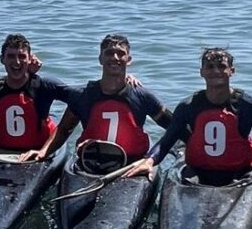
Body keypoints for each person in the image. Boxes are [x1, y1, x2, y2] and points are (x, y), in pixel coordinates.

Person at [123, 47, 252, 187]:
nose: (216, 71)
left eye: (222, 66)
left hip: (239, 174)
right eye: (210, 67)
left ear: (232, 71)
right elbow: (167, 141)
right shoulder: (188, 106)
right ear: (201, 72)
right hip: (197, 173)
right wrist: (149, 161)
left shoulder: (249, 105)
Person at [20, 34, 173, 165]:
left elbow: (174, 129)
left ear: (129, 59)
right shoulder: (82, 95)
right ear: (100, 58)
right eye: (109, 53)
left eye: (120, 53)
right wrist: (43, 152)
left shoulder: (142, 96)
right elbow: (63, 130)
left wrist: (151, 159)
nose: (115, 57)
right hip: (91, 163)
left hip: (131, 165)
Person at [0, 33, 72, 150]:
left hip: (40, 147)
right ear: (2, 59)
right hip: (3, 147)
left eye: (22, 56)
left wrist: (62, 132)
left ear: (30, 59)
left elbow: (77, 99)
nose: (17, 62)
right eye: (11, 56)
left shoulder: (44, 86)